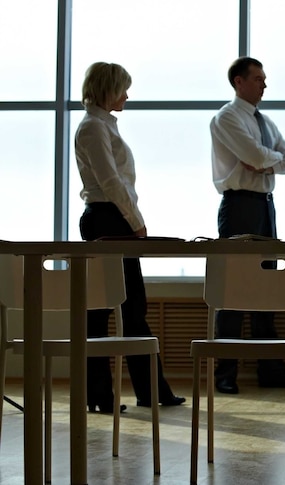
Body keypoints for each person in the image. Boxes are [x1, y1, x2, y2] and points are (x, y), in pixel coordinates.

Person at [75, 62, 185, 412]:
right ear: (107, 89)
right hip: (109, 220)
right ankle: (116, 394)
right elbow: (110, 182)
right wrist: (136, 222)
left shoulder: (100, 125)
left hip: (109, 219)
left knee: (122, 308)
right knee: (115, 308)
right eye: (122, 88)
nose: (127, 95)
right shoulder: (94, 128)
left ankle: (130, 393)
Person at [210, 56, 285, 394]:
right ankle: (226, 373)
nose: (265, 84)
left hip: (265, 208)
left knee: (266, 290)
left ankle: (270, 369)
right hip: (239, 207)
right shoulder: (226, 118)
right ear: (239, 82)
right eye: (258, 78)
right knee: (234, 291)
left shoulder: (265, 121)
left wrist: (268, 163)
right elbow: (257, 158)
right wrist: (267, 161)